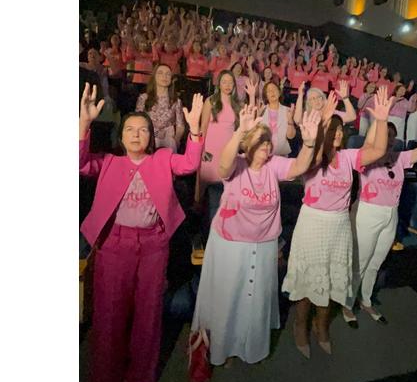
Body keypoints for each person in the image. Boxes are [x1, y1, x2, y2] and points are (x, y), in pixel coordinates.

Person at [79, 84, 205, 382]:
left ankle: (141, 378)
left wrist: (194, 131)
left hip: (153, 246)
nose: (137, 135)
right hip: (114, 245)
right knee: (109, 316)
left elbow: (190, 164)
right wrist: (84, 125)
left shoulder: (162, 159)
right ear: (121, 136)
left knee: (149, 316)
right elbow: (79, 164)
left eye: (144, 130)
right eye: (130, 130)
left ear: (151, 136)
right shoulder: (109, 162)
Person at [190, 105, 321, 366]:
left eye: (268, 142)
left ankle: (251, 347)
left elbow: (299, 167)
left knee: (254, 300)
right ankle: (224, 349)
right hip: (231, 244)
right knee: (231, 298)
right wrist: (240, 130)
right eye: (261, 141)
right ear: (248, 143)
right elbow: (223, 166)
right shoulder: (237, 165)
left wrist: (308, 143)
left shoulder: (273, 166)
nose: (266, 147)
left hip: (263, 244)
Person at [281, 86, 395, 358]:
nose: (340, 133)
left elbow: (378, 149)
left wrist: (380, 119)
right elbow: (313, 154)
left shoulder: (348, 157)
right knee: (309, 280)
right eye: (334, 129)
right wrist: (322, 121)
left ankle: (322, 327)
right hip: (312, 224)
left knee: (332, 280)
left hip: (339, 225)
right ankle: (300, 325)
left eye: (341, 130)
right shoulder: (313, 157)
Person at [342, 123, 417, 327]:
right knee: (360, 262)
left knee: (376, 262)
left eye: (392, 136)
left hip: (391, 214)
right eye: (385, 135)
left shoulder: (399, 158)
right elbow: (369, 144)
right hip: (369, 212)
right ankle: (347, 303)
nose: (389, 139)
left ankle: (366, 300)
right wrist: (379, 121)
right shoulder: (367, 157)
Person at [194, 71, 242, 209]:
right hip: (210, 147)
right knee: (204, 181)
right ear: (219, 84)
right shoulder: (211, 101)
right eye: (224, 82)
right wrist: (201, 148)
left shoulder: (236, 104)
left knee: (225, 182)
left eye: (230, 82)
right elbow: (202, 127)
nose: (227, 85)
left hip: (227, 148)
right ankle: (198, 212)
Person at [135, 64, 185, 150]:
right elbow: (137, 121)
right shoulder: (144, 98)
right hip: (147, 139)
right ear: (154, 77)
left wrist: (176, 140)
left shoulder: (176, 101)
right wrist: (155, 133)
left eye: (168, 74)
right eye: (160, 73)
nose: (164, 76)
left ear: (171, 79)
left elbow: (180, 125)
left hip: (168, 142)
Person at [258, 80, 295, 157]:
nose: (272, 92)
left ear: (279, 92)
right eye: (269, 91)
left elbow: (291, 136)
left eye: (274, 89)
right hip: (263, 153)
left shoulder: (287, 110)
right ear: (266, 96)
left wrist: (290, 121)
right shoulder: (261, 110)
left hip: (281, 154)